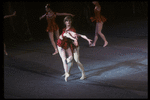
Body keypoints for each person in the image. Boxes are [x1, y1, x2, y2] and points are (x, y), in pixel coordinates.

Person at [57, 16, 92, 82]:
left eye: (70, 21)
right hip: (68, 46)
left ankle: (83, 74)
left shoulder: (73, 30)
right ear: (65, 22)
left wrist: (87, 39)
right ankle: (67, 72)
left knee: (77, 61)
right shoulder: (64, 29)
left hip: (74, 46)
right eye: (67, 21)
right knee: (70, 61)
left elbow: (79, 35)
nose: (69, 22)